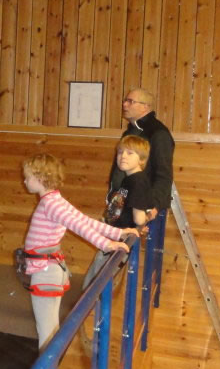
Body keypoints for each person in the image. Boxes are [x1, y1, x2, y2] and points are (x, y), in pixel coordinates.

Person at [21, 153, 137, 350]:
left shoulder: (50, 204)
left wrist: (107, 244)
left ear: (40, 178)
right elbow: (84, 220)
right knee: (51, 327)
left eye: (28, 177)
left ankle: (48, 368)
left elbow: (79, 225)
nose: (25, 181)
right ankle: (53, 366)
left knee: (46, 331)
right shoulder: (55, 199)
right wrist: (117, 233)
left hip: (45, 271)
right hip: (50, 269)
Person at [81, 135, 153, 292]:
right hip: (114, 233)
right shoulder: (129, 179)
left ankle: (91, 301)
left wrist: (143, 222)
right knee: (96, 274)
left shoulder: (138, 181)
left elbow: (139, 217)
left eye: (130, 153)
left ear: (141, 159)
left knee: (98, 280)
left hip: (119, 238)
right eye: (120, 152)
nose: (123, 156)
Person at [108, 88, 174, 219]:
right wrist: (113, 201)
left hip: (145, 208)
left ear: (145, 106)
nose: (124, 104)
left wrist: (154, 206)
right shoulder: (130, 132)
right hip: (123, 203)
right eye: (125, 100)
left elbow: (164, 174)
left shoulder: (158, 133)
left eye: (130, 101)